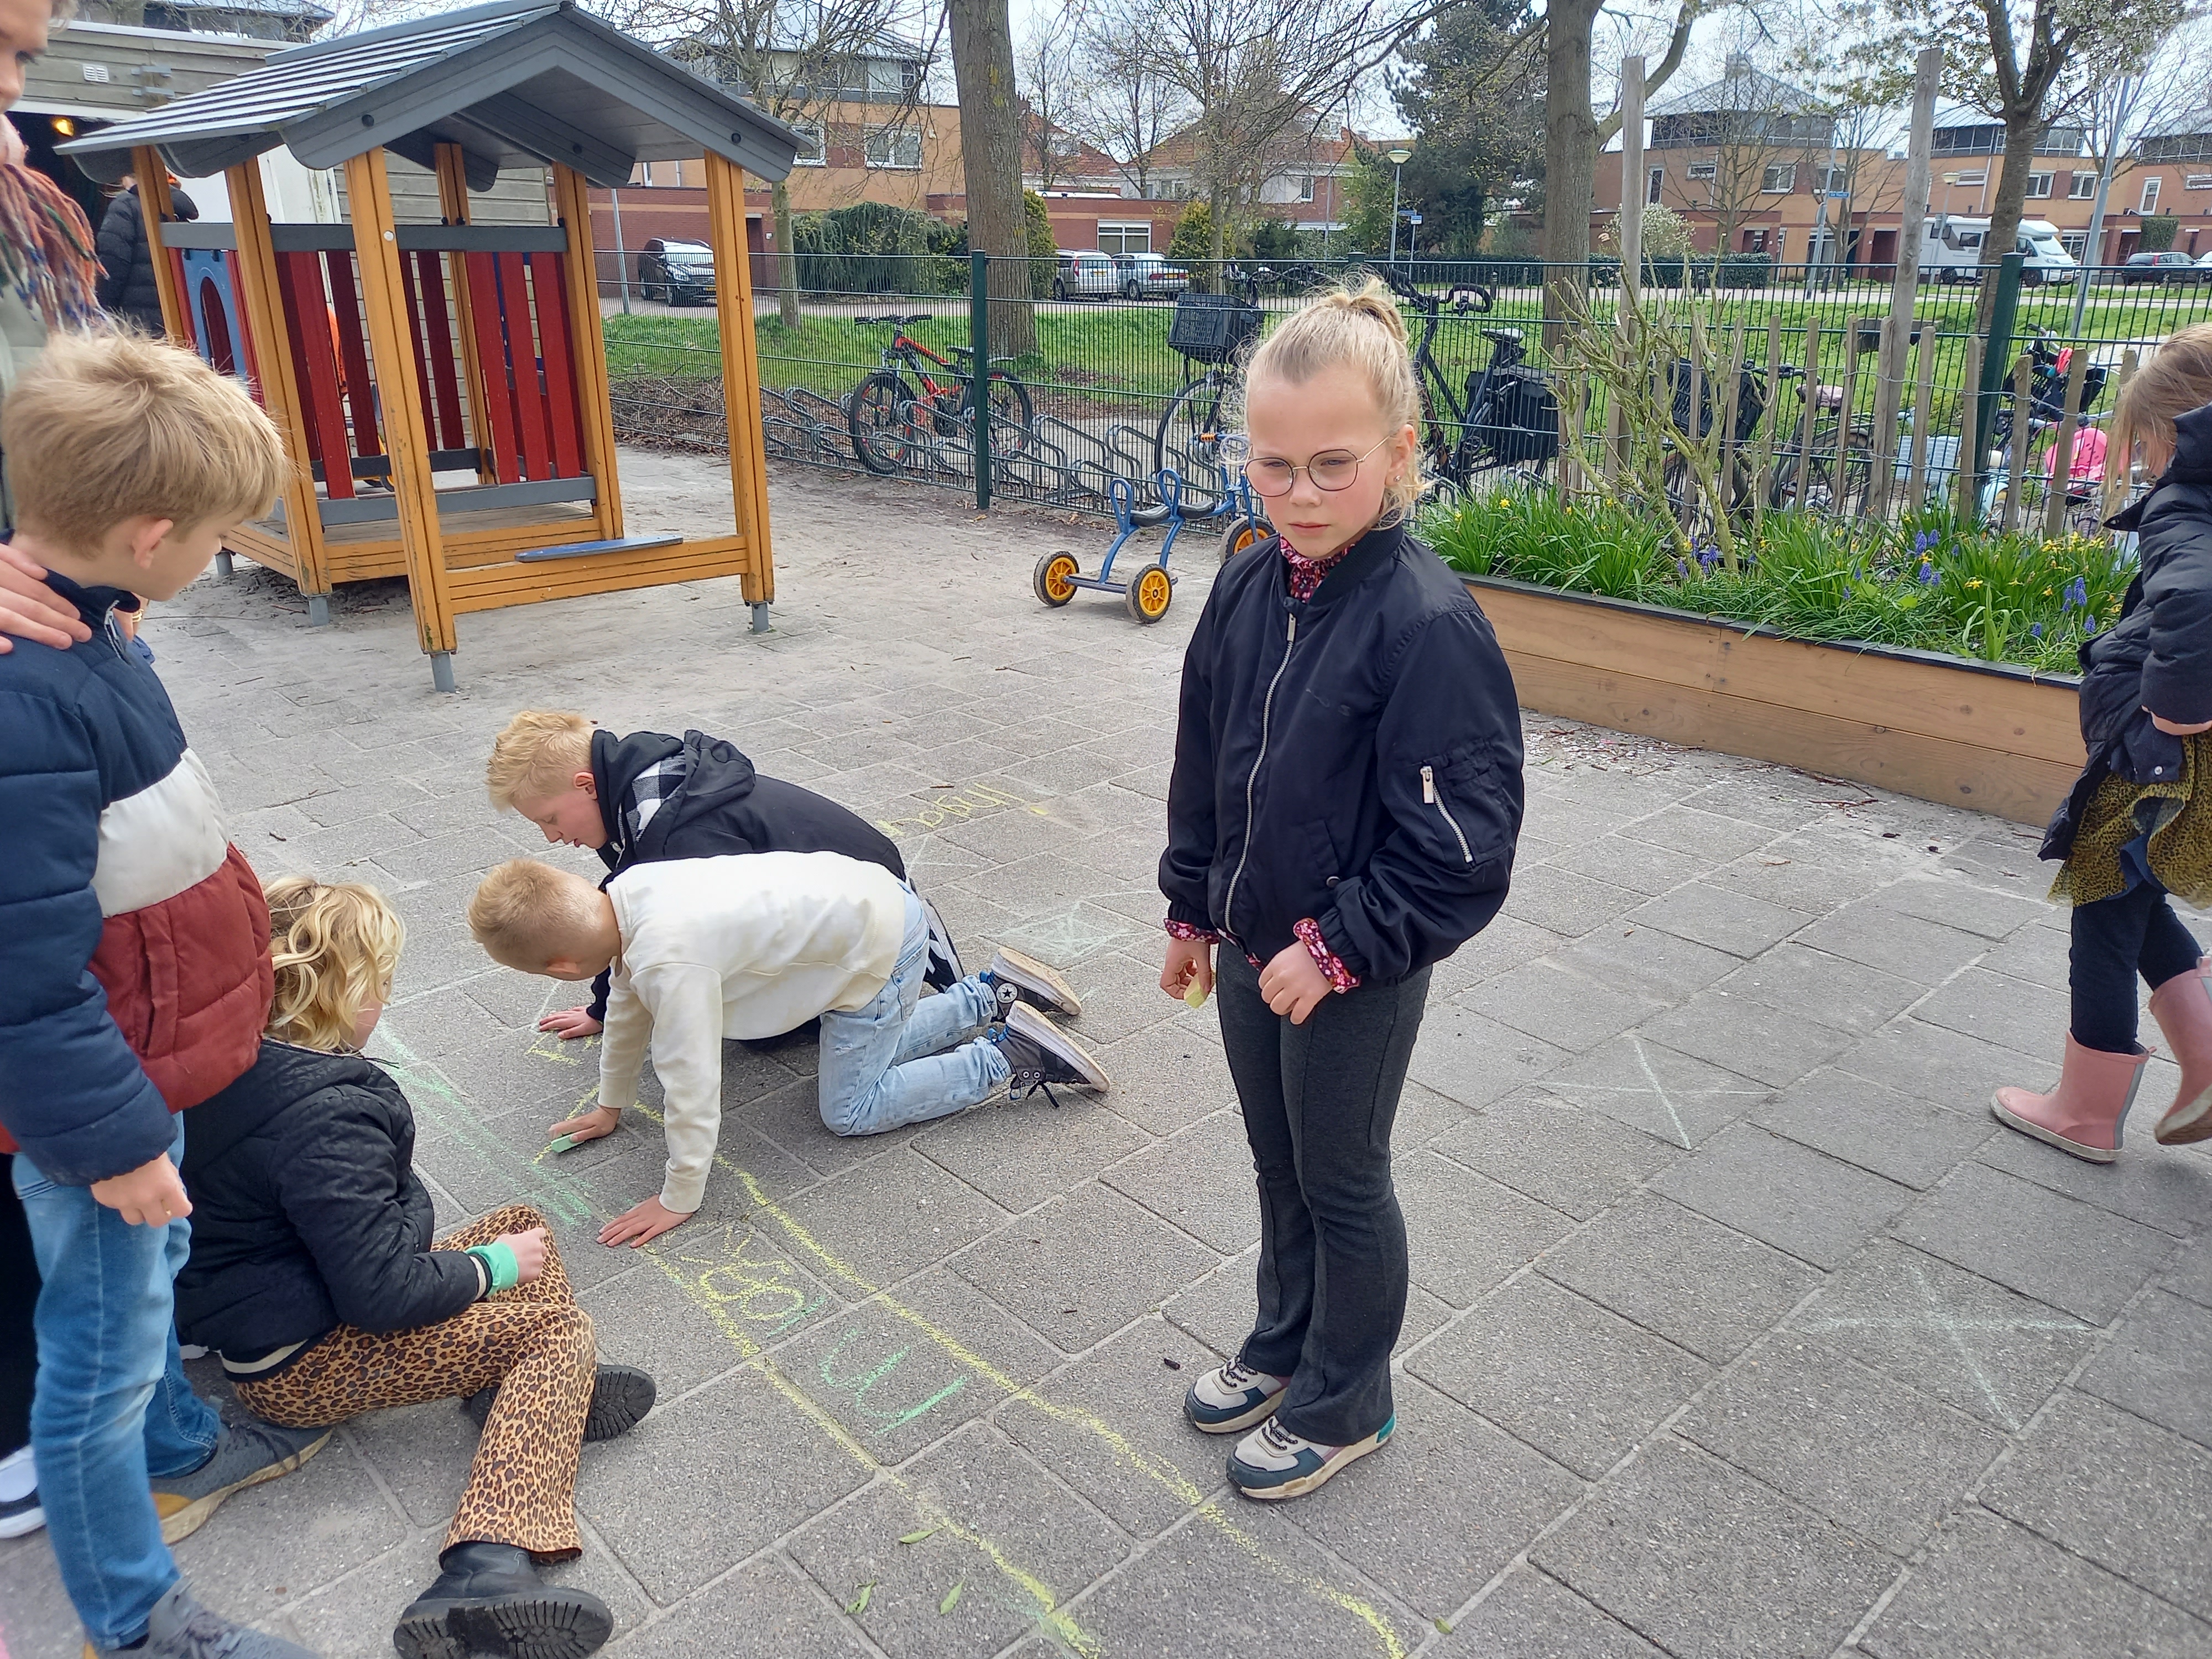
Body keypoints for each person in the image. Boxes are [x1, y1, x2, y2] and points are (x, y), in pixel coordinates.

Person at [1158, 279, 1524, 1501]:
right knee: (1278, 1165)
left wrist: (1336, 946)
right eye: (1272, 465)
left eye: (1331, 465)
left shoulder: (1426, 625)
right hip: (1250, 937)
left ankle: (1344, 1397)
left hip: (1348, 967)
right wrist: (1191, 906)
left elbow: (1460, 847)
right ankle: (1282, 1343)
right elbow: (1208, 753)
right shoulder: (1250, 578)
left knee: (1342, 1176)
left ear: (1399, 452)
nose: (1300, 495)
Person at [0, 329, 326, 1657]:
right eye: (217, 537)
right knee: (97, 1354)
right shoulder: (27, 705)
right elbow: (19, 976)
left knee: (160, 1270)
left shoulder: (90, 619)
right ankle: (137, 1620)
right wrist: (119, 1138)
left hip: (154, 1065)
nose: (219, 558)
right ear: (147, 534)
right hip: (103, 1105)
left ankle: (187, 1440)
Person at [175, 877, 655, 1659]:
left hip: (284, 1296)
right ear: (344, 990)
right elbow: (383, 1294)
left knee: (524, 1224)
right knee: (554, 1328)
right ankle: (485, 1567)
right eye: (382, 987)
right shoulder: (325, 1114)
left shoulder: (232, 1060)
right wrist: (486, 1270)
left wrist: (475, 1248)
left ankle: (523, 1405)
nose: (383, 1004)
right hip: (303, 1363)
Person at [466, 853, 1107, 1246]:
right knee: (854, 1063)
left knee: (849, 1108)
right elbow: (627, 1005)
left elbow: (690, 1079)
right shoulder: (627, 896)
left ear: (560, 968)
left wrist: (679, 1194)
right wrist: (611, 1104)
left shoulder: (670, 959)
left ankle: (1010, 1052)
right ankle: (990, 992)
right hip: (870, 904)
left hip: (879, 950)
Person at [1996, 323, 2212, 1161]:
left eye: (2147, 441)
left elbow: (2195, 603)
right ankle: (2202, 1060)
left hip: (2159, 756)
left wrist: (2173, 711)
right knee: (2134, 884)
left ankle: (2085, 1112)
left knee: (2101, 896)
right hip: (2176, 757)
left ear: (2173, 432)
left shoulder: (2187, 503)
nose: (2148, 459)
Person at [484, 709, 967, 1041]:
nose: (551, 837)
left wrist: (636, 1009)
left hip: (873, 907)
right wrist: (604, 1010)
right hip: (857, 885)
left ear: (586, 786)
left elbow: (637, 932)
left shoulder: (672, 837)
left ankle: (963, 1002)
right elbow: (621, 914)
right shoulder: (646, 788)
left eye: (549, 819)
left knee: (749, 1026)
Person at [95, 170, 197, 337]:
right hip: (177, 322)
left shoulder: (124, 206)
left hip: (136, 324)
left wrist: (100, 311)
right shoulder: (178, 211)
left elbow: (112, 267)